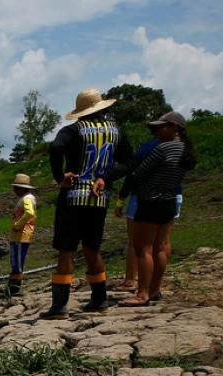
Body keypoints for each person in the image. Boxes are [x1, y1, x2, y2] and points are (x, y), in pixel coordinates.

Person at [43, 88, 133, 320]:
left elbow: (55, 147)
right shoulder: (116, 133)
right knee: (92, 248)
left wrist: (60, 177)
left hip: (73, 196)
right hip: (99, 198)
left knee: (67, 250)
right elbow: (126, 162)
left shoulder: (74, 130)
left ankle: (60, 306)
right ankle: (100, 300)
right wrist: (105, 178)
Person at [118, 111, 197, 307]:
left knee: (142, 248)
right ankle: (154, 289)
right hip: (169, 200)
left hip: (150, 201)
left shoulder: (162, 149)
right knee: (160, 247)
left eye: (162, 127)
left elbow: (138, 174)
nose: (158, 131)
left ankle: (142, 293)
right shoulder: (184, 150)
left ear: (174, 128)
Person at [8, 174, 38, 295]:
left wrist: (17, 225)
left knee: (17, 262)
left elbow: (29, 212)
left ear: (22, 188)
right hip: (18, 235)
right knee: (15, 261)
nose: (14, 190)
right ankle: (12, 286)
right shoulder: (25, 198)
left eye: (16, 187)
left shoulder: (27, 199)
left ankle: (15, 288)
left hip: (21, 234)